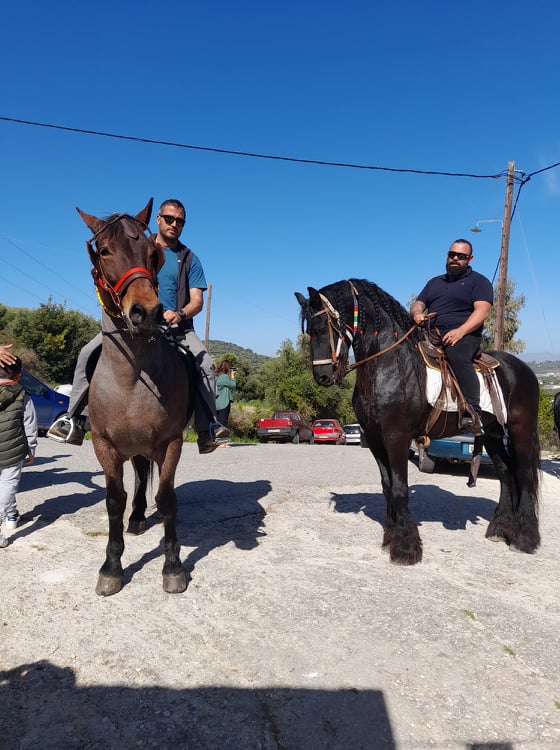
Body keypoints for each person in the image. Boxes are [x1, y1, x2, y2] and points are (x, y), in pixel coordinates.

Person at [47, 198, 229, 454]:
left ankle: (207, 427)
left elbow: (197, 300)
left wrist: (179, 313)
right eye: (168, 218)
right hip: (127, 325)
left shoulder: (190, 258)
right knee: (86, 354)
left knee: (206, 364)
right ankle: (75, 419)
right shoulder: (137, 245)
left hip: (176, 328)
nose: (174, 224)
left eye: (179, 221)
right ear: (158, 219)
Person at [410, 238, 493, 436]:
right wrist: (417, 313)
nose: (455, 259)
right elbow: (418, 303)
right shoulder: (434, 282)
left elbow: (482, 312)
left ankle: (472, 412)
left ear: (470, 259)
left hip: (465, 336)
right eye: (452, 255)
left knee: (456, 355)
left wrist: (460, 331)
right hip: (432, 334)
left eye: (461, 256)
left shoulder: (479, 282)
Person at [0, 356, 38, 547]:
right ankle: (6, 518)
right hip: (12, 450)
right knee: (8, 485)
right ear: (19, 376)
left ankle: (12, 515)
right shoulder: (23, 395)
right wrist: (31, 448)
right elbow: (29, 424)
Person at [215, 359, 237, 428]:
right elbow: (233, 385)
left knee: (217, 424)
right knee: (222, 426)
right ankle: (220, 438)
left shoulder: (216, 376)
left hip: (216, 404)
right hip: (224, 404)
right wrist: (233, 375)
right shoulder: (224, 377)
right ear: (228, 368)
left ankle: (214, 438)